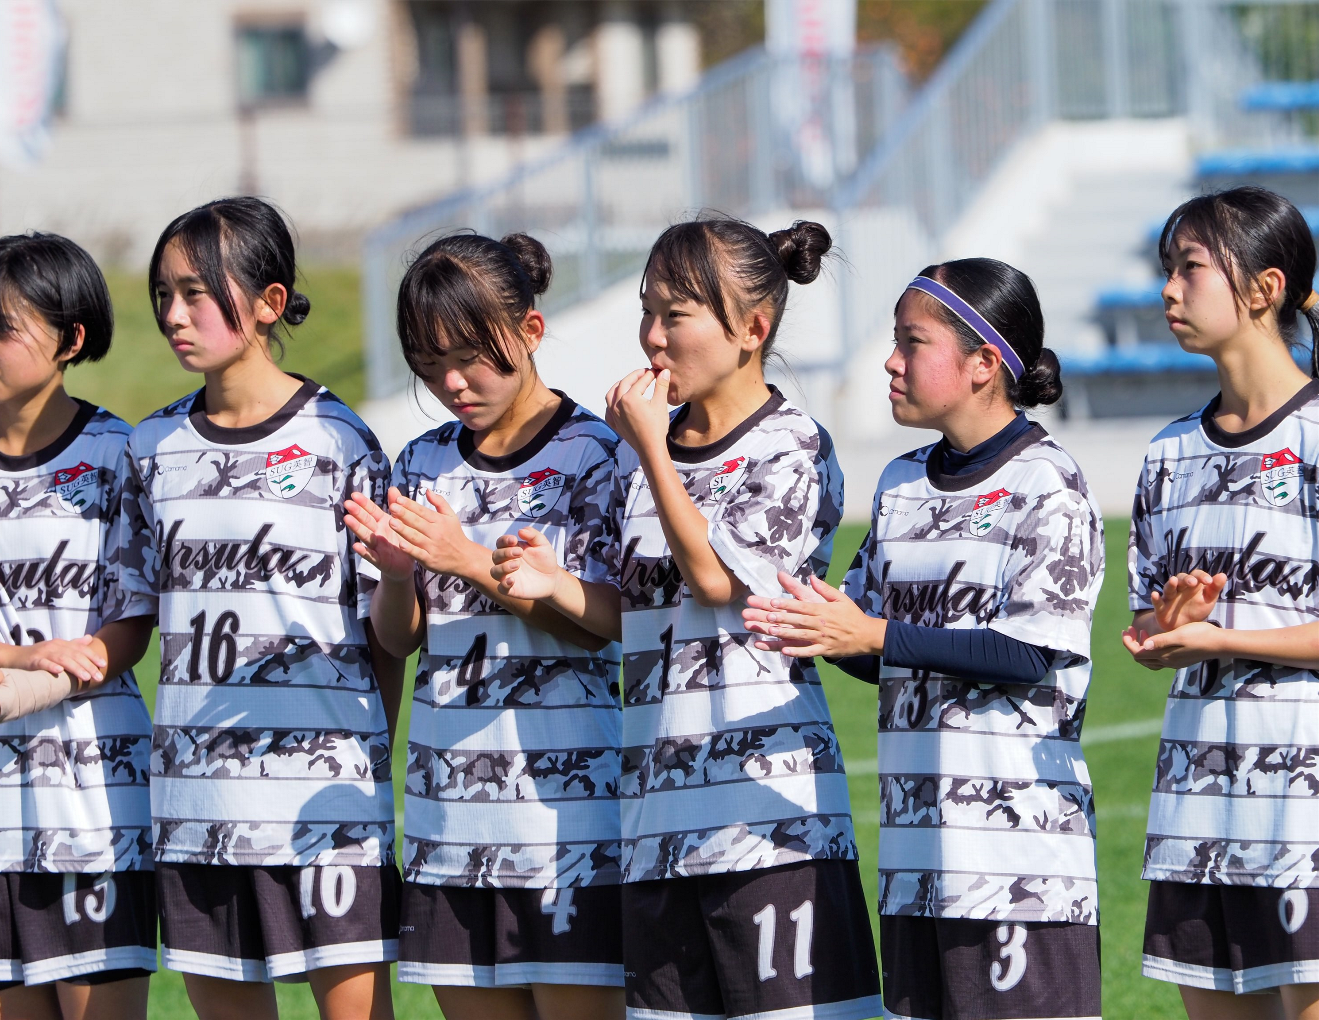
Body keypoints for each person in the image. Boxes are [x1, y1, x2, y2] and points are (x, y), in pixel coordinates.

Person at [499, 216, 881, 1020]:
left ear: (752, 328)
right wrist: (553, 584)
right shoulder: (645, 454)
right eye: (648, 311)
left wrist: (651, 451)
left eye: (676, 315)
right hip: (655, 820)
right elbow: (629, 612)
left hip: (766, 821)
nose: (652, 337)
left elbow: (714, 578)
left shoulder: (792, 446)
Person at [744, 258, 1104, 1020]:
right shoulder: (901, 482)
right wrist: (807, 628)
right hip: (917, 859)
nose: (891, 360)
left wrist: (868, 631)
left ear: (983, 364)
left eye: (913, 342)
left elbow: (1031, 652)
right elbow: (878, 647)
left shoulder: (1049, 483)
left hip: (1018, 864)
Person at [115, 198, 401, 1020]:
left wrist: (357, 759)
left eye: (198, 293)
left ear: (270, 303)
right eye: (164, 293)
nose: (175, 314)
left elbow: (388, 635)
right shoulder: (150, 449)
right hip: (194, 803)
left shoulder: (338, 441)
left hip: (321, 802)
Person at [344, 232, 625, 1020]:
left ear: (530, 332)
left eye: (470, 356)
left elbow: (604, 626)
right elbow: (400, 641)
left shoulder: (595, 455)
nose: (452, 384)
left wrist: (468, 561)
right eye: (430, 366)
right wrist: (398, 578)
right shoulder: (422, 461)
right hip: (446, 815)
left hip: (566, 818)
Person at [1121, 186, 1319, 1020]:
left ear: (1264, 289)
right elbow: (1145, 625)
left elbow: (1229, 637)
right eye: (1167, 270)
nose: (1168, 290)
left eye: (1189, 269)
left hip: (1303, 797)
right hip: (1195, 799)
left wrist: (1226, 639)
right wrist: (1166, 631)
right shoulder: (1168, 453)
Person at [0, 233, 156, 1020]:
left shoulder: (121, 456)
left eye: (3, 328)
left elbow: (134, 623)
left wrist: (37, 685)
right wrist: (14, 658)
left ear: (71, 339)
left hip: (96, 798)